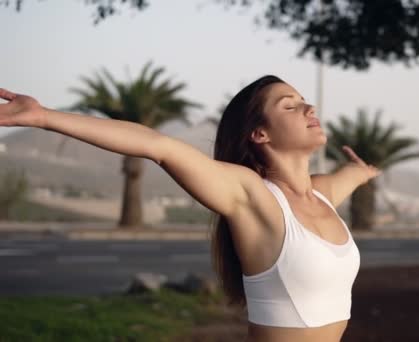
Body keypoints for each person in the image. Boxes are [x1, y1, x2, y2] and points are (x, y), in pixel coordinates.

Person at [0, 75, 380, 342]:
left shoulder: (323, 194)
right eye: (290, 105)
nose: (307, 106)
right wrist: (44, 117)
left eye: (303, 100)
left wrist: (362, 171)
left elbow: (352, 175)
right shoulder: (252, 196)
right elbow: (158, 146)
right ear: (259, 134)